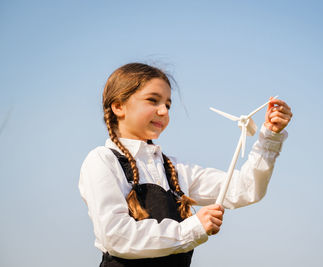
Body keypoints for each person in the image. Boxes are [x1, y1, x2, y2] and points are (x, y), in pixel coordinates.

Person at [79, 63, 292, 267]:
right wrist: (191, 229)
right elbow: (116, 236)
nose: (164, 111)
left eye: (168, 105)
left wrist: (270, 137)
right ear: (118, 106)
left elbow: (245, 189)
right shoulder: (103, 160)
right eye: (153, 100)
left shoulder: (175, 170)